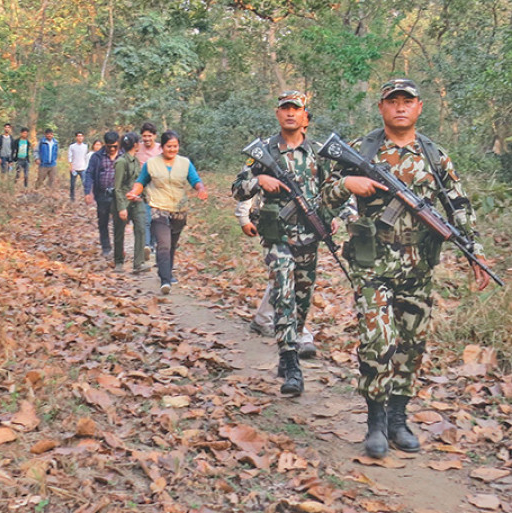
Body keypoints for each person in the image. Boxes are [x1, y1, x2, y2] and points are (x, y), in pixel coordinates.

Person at [320, 78, 493, 459]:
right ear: (381, 107)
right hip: (372, 265)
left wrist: (473, 252)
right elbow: (323, 198)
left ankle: (399, 419)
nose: (400, 107)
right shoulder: (360, 149)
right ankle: (376, 423)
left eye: (407, 102)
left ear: (419, 108)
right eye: (392, 101)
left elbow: (459, 206)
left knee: (410, 346)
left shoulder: (435, 156)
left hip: (418, 269)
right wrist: (348, 182)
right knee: (377, 341)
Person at [232, 91, 331, 397]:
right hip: (277, 237)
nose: (290, 113)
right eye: (284, 108)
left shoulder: (319, 152)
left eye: (296, 109)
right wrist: (259, 181)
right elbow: (238, 188)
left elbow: (336, 190)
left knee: (302, 299)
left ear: (305, 116)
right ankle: (290, 363)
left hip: (309, 238)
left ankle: (292, 343)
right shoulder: (264, 153)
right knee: (283, 295)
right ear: (278, 114)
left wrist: (338, 216)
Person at [126, 130, 208, 294]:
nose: (172, 149)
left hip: (179, 209)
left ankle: (168, 272)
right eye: (169, 146)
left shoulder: (185, 163)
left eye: (175, 146)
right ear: (162, 147)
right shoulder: (151, 164)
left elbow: (195, 180)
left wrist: (201, 189)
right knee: (163, 244)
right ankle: (165, 280)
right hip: (158, 207)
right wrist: (134, 192)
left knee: (171, 245)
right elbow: (141, 182)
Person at [113, 132, 150, 274]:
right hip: (123, 200)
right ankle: (118, 262)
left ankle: (139, 263)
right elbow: (117, 187)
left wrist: (144, 197)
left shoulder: (136, 161)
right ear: (135, 145)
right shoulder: (121, 162)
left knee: (140, 229)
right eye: (138, 142)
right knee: (119, 232)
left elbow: (140, 182)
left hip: (137, 200)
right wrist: (121, 208)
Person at [84, 131, 122, 258]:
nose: (112, 149)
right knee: (103, 221)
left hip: (118, 194)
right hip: (102, 194)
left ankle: (118, 249)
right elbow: (89, 173)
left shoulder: (124, 156)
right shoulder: (97, 156)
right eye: (109, 146)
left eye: (114, 146)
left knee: (119, 222)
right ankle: (106, 247)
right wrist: (87, 191)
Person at [136, 122, 163, 261]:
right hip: (143, 188)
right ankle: (146, 245)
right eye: (144, 136)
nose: (146, 139)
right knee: (145, 217)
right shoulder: (137, 148)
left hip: (158, 188)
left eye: (149, 136)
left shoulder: (160, 149)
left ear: (154, 136)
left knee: (155, 218)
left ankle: (152, 243)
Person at [68, 132, 89, 202]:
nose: (80, 138)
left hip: (83, 168)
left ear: (83, 137)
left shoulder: (85, 146)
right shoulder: (72, 146)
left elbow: (86, 157)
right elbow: (70, 157)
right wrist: (71, 166)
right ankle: (72, 198)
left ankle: (86, 197)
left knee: (85, 184)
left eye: (81, 136)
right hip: (74, 167)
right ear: (76, 137)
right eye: (78, 136)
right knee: (72, 184)